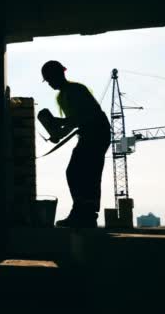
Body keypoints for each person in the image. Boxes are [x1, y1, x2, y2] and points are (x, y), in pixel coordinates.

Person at [41, 60, 110, 228]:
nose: (49, 83)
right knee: (78, 172)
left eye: (50, 79)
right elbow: (74, 123)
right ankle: (83, 213)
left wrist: (60, 122)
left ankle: (84, 214)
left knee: (82, 172)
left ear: (59, 75)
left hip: (97, 132)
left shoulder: (76, 90)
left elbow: (88, 115)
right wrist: (56, 134)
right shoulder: (62, 96)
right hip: (88, 134)